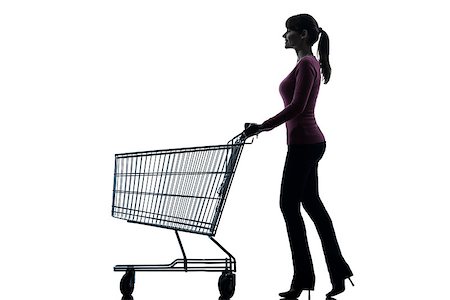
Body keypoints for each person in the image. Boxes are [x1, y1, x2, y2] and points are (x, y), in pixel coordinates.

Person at [244, 14, 353, 299]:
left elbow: (296, 107)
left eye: (288, 31)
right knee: (313, 206)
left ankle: (303, 279)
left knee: (288, 205)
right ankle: (338, 272)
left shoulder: (307, 64)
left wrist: (261, 126)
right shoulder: (306, 63)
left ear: (303, 35)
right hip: (308, 143)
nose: (284, 36)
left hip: (305, 145)